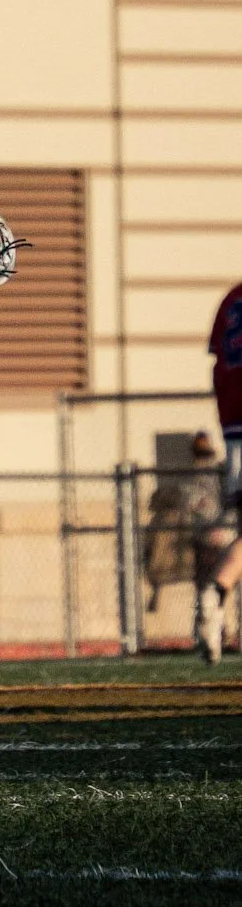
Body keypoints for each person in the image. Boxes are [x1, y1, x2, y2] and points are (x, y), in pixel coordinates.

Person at [195, 283, 242, 663]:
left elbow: (218, 361)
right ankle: (217, 591)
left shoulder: (231, 298)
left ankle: (218, 594)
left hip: (234, 430)